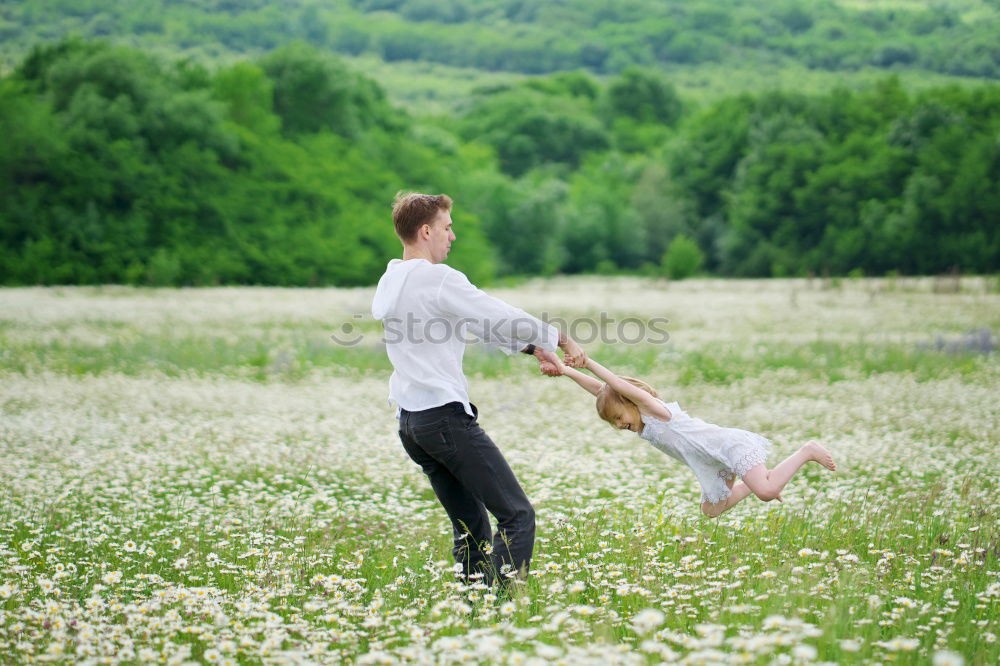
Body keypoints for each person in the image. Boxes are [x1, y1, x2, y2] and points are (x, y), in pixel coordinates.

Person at [371, 191, 585, 585]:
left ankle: (476, 616)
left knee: (471, 530)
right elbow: (495, 313)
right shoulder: (436, 279)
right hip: (443, 420)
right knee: (517, 516)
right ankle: (499, 612)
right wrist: (558, 337)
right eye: (447, 228)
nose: (452, 237)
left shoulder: (393, 280)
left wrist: (533, 347)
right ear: (425, 231)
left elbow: (471, 323)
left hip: (412, 425)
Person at [550, 356, 836, 517]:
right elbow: (601, 390)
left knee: (767, 492)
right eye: (612, 422)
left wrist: (588, 362)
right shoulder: (641, 423)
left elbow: (613, 384)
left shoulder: (655, 411)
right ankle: (759, 477)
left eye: (618, 417)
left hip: (728, 446)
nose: (618, 425)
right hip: (712, 461)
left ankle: (807, 451)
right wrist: (566, 371)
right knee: (712, 510)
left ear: (629, 401)